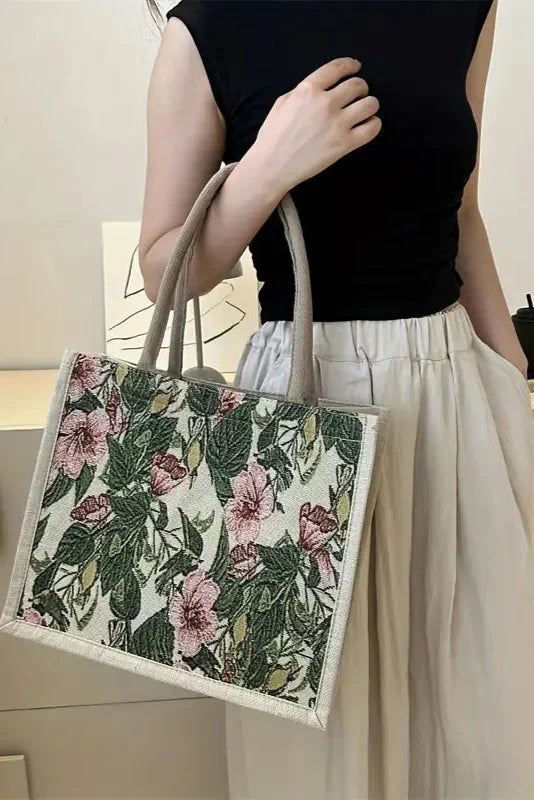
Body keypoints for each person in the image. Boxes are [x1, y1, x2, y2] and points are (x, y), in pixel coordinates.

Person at [139, 1, 534, 797]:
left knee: (482, 722)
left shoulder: (467, 8)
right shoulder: (209, 27)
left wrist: (513, 384)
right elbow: (164, 273)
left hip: (453, 392)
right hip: (299, 407)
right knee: (317, 748)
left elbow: (463, 215)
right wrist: (266, 169)